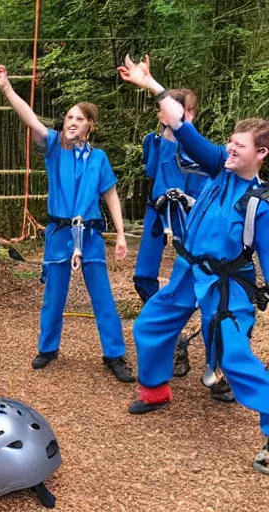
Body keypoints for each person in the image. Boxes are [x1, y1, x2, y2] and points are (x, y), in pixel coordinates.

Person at [118, 54, 269, 475]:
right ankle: (155, 391)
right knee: (149, 325)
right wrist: (151, 85)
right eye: (230, 144)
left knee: (235, 355)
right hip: (187, 271)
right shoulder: (216, 167)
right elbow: (182, 126)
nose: (229, 150)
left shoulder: (260, 205)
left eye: (238, 147)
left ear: (261, 153)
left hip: (227, 285)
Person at [0, 64, 135, 382]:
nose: (72, 122)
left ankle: (114, 355)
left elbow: (111, 195)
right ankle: (48, 349)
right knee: (54, 294)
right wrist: (7, 88)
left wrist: (122, 234)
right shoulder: (55, 146)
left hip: (90, 234)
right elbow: (29, 117)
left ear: (90, 125)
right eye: (69, 117)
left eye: (79, 118)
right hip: (59, 233)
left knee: (102, 296)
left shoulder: (99, 158)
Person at [122, 74, 234, 401]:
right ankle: (175, 339)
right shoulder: (155, 142)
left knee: (213, 298)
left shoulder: (208, 154)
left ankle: (219, 370)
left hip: (194, 224)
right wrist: (167, 140)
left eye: (182, 112)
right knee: (144, 278)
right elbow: (157, 175)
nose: (170, 116)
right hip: (160, 215)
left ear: (191, 115)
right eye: (167, 110)